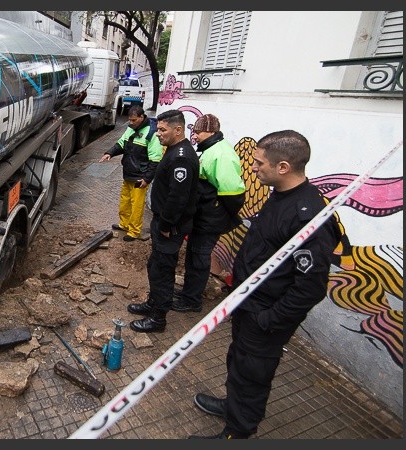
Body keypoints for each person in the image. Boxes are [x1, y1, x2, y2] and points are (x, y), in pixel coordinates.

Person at [189, 130, 341, 439]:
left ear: (283, 166)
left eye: (259, 163)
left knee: (252, 375)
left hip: (265, 316)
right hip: (248, 304)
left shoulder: (307, 217)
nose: (253, 168)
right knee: (239, 362)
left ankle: (237, 432)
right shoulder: (281, 197)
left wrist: (267, 320)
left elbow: (310, 288)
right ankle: (234, 406)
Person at [127, 109, 199, 333]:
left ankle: (158, 319)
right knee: (155, 265)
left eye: (162, 130)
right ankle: (153, 303)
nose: (157, 134)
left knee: (163, 271)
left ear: (178, 130)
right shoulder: (173, 150)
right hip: (162, 223)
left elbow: (177, 198)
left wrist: (166, 226)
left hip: (170, 226)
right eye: (157, 129)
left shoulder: (182, 158)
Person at [172, 114, 246, 312]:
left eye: (198, 132)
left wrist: (218, 214)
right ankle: (188, 292)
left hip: (210, 219)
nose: (194, 136)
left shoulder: (221, 154)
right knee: (193, 256)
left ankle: (192, 301)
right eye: (194, 131)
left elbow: (233, 193)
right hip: (204, 216)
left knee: (199, 258)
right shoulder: (210, 149)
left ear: (212, 132)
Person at [99, 105, 162, 241]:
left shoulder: (151, 133)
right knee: (125, 201)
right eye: (130, 120)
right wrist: (110, 153)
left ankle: (134, 231)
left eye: (134, 120)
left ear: (141, 117)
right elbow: (121, 143)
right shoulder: (131, 128)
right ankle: (125, 224)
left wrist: (147, 179)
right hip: (128, 173)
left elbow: (155, 160)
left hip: (140, 177)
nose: (131, 123)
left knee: (137, 205)